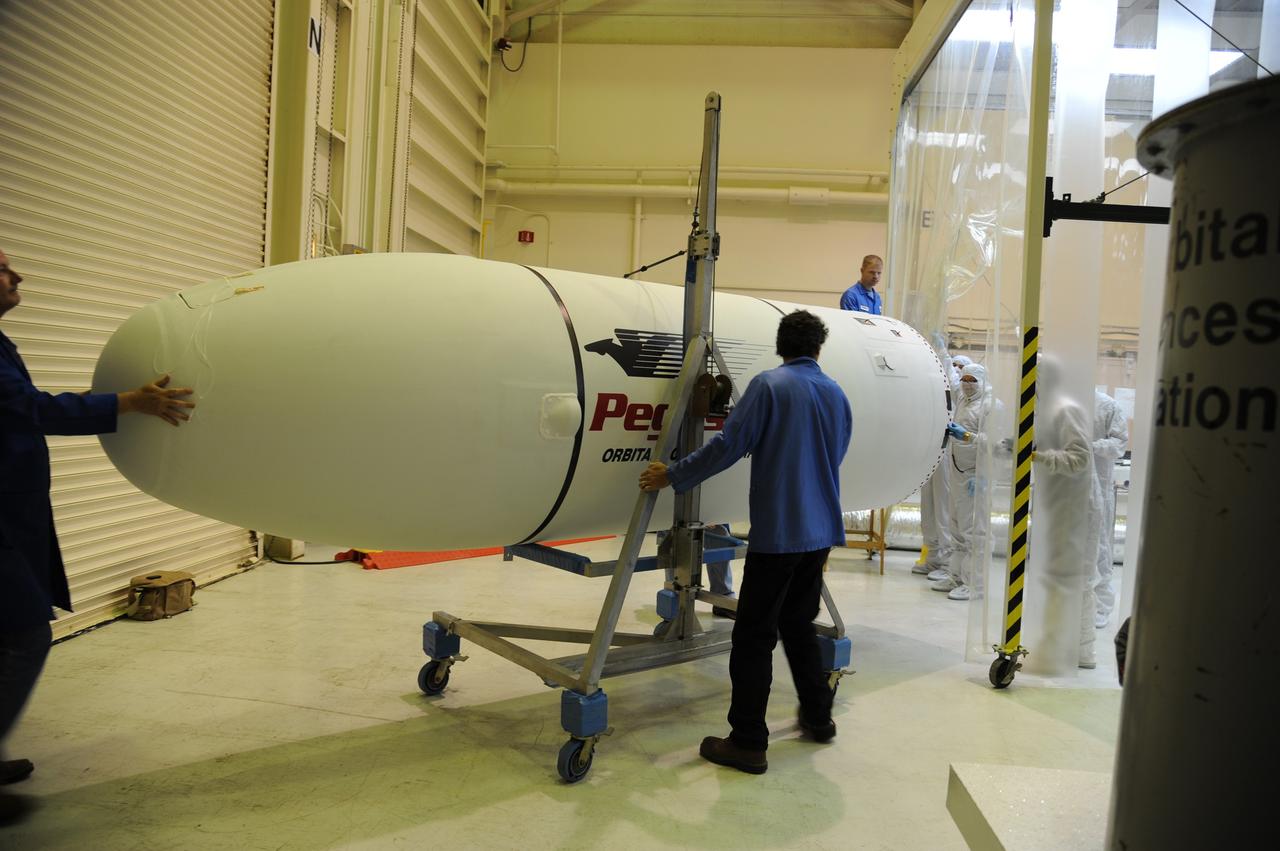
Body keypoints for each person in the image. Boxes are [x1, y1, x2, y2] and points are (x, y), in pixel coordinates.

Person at [0, 247, 196, 825]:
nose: (17, 275)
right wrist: (130, 402)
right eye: (2, 267)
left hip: (12, 511)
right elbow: (24, 408)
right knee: (24, 632)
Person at [639, 310, 851, 775]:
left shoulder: (769, 386)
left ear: (781, 346)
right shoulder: (836, 393)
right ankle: (819, 718)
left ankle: (749, 741)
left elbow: (727, 445)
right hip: (820, 534)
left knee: (754, 634)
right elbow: (836, 453)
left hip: (779, 535)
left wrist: (671, 474)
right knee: (799, 625)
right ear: (818, 349)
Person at [1029, 355, 1103, 669]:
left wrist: (1037, 457)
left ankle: (1084, 651)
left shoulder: (1065, 409)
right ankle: (1061, 642)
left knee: (1079, 576)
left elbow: (1080, 458)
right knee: (1059, 574)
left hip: (1079, 505)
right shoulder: (1045, 412)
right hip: (1061, 503)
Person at [930, 363, 999, 601]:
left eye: (972, 380)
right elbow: (948, 376)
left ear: (982, 380)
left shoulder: (991, 405)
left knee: (975, 532)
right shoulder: (963, 400)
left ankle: (975, 585)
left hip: (976, 476)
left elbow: (997, 445)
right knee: (957, 528)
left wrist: (968, 437)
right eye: (964, 379)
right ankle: (957, 576)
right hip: (958, 473)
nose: (967, 384)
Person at [912, 335, 956, 578]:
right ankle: (933, 555)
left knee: (943, 510)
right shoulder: (934, 390)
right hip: (932, 453)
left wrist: (942, 352)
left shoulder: (957, 391)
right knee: (927, 508)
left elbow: (948, 374)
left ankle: (948, 564)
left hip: (948, 457)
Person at [1090, 390, 1128, 628]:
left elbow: (1119, 444)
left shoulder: (1106, 404)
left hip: (1099, 485)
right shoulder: (1060, 403)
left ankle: (1101, 606)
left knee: (1100, 546)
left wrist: (1090, 446)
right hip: (1066, 485)